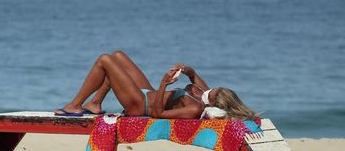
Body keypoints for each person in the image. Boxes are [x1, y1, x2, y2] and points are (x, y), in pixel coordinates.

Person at [54, 50, 258, 120]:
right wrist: (185, 70)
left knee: (105, 60)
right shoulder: (202, 93)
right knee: (118, 56)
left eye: (214, 92)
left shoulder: (195, 108)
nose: (211, 89)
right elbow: (194, 75)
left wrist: (163, 84)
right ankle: (95, 103)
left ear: (215, 102)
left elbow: (158, 114)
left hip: (139, 105)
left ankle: (75, 105)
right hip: (147, 93)